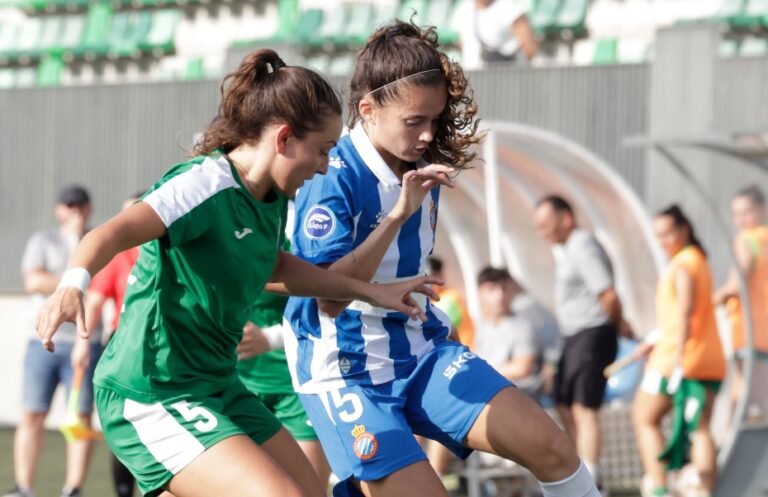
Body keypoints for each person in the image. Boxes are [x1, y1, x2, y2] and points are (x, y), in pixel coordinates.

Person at [34, 49, 440, 497]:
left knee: (308, 490)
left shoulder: (269, 197)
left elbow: (276, 267)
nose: (325, 165)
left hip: (216, 383)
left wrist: (369, 291)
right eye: (322, 151)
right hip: (151, 390)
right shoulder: (204, 184)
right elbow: (111, 233)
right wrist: (72, 283)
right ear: (283, 138)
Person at [284, 21, 599, 497]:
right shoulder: (333, 175)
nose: (429, 134)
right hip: (346, 374)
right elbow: (328, 300)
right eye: (415, 121)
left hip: (420, 353)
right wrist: (395, 216)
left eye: (434, 119)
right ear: (367, 109)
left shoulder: (418, 164)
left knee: (552, 447)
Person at [5, 185, 102, 497]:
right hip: (43, 341)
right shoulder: (42, 240)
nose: (74, 210)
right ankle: (24, 487)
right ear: (58, 209)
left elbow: (103, 285)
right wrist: (75, 282)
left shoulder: (96, 240)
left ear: (88, 208)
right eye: (68, 205)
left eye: (80, 205)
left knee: (81, 416)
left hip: (85, 343)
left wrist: (77, 247)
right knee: (32, 413)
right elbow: (32, 280)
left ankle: (73, 489)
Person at [533, 194, 626, 486]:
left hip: (593, 332)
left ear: (566, 218)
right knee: (565, 404)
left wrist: (619, 326)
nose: (543, 233)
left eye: (546, 225)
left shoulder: (583, 244)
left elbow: (608, 294)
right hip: (574, 337)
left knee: (584, 407)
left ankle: (591, 479)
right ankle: (578, 472)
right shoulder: (567, 251)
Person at [633, 205, 725, 497]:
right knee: (700, 427)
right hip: (708, 358)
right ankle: (703, 489)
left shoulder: (684, 264)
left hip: (678, 358)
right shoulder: (699, 259)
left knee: (643, 417)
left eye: (668, 234)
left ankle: (660, 487)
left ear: (684, 230)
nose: (663, 241)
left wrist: (676, 359)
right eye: (658, 235)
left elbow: (685, 312)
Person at [236, 241, 331, 487]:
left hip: (293, 387)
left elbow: (327, 306)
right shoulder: (206, 236)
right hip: (234, 387)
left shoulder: (289, 227)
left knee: (309, 488)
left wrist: (270, 338)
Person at [82, 192, 142, 497]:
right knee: (122, 427)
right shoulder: (120, 257)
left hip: (161, 353)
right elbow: (94, 301)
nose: (126, 223)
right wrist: (83, 341)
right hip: (120, 349)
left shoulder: (174, 253)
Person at [713, 185, 768, 419]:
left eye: (746, 212)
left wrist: (711, 300)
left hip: (748, 331)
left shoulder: (747, 240)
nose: (740, 220)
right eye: (736, 214)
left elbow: (736, 285)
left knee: (743, 396)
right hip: (761, 332)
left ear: (761, 209)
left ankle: (731, 449)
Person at [452, 0, 538, 70]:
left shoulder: (509, 7)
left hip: (507, 76)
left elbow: (530, 47)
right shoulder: (463, 10)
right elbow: (462, 43)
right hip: (473, 78)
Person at [427, 256, 474, 348]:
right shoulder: (432, 299)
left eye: (427, 277)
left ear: (439, 276)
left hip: (460, 354)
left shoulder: (449, 299)